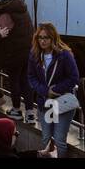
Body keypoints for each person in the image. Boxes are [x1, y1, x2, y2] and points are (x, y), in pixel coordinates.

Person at [27, 22, 79, 155]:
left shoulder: (64, 55)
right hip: (45, 103)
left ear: (53, 38)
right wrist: (45, 91)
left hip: (60, 102)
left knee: (59, 140)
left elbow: (74, 78)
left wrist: (56, 89)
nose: (43, 41)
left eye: (46, 38)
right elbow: (31, 77)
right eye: (40, 37)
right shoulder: (34, 55)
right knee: (46, 139)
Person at [0, 0, 34, 122]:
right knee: (25, 80)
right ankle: (30, 113)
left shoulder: (6, 13)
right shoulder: (22, 9)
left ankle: (16, 109)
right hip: (27, 51)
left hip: (13, 53)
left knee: (14, 80)